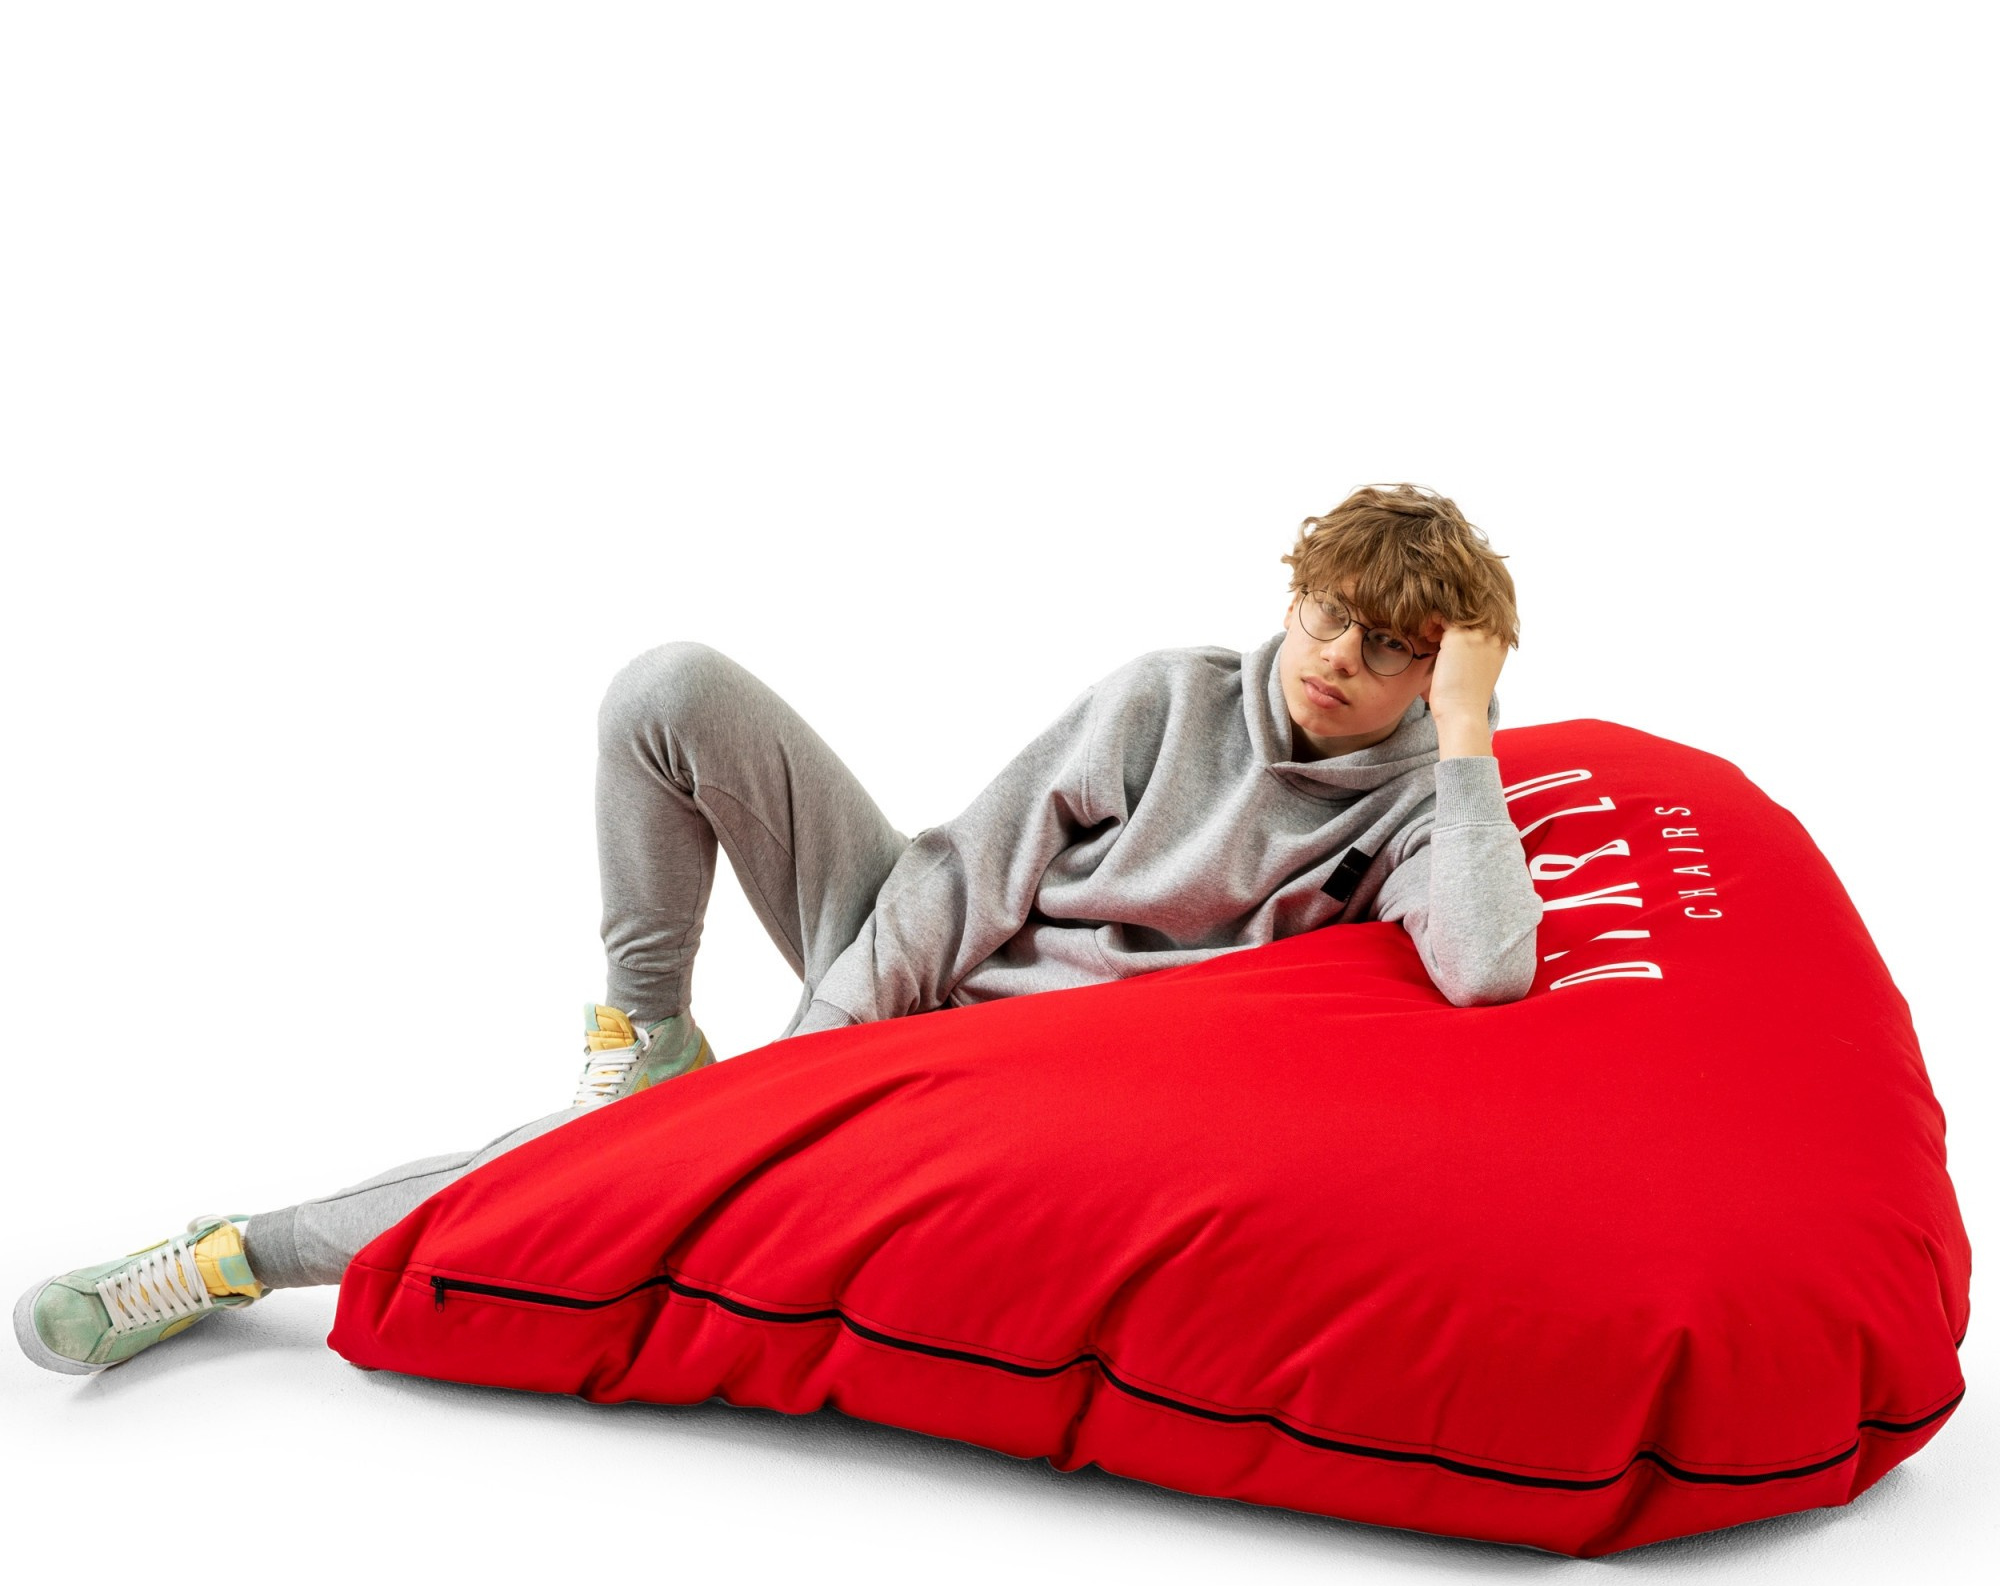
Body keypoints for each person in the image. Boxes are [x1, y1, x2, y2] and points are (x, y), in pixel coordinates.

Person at [15, 482, 1542, 1376]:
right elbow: (970, 871)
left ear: (1437, 678)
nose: (1336, 657)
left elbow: (1488, 968)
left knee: (577, 1170)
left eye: (1391, 650)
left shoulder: (1421, 806)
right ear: (1294, 592)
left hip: (996, 1083)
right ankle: (650, 1035)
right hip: (911, 955)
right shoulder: (1171, 697)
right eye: (1327, 612)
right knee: (670, 690)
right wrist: (818, 1046)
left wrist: (1467, 735)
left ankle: (228, 1257)